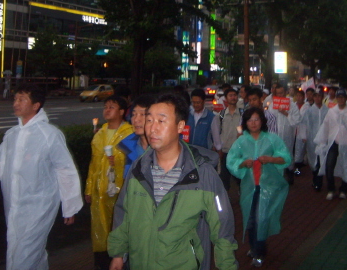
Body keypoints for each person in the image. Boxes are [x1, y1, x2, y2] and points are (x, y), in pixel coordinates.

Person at [108, 93, 238, 270]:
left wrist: (227, 265)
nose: (152, 128)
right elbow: (124, 212)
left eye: (161, 121)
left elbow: (222, 226)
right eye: (149, 120)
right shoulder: (139, 169)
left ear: (180, 126)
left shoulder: (202, 174)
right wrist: (118, 253)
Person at [0, 83, 82, 270]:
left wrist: (70, 205)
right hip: (15, 206)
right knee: (24, 251)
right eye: (15, 99)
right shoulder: (12, 135)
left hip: (39, 207)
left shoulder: (50, 135)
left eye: (21, 99)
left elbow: (65, 169)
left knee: (24, 256)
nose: (15, 103)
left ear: (36, 106)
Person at [227, 107, 291, 268]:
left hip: (267, 188)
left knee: (261, 219)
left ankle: (259, 252)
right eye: (250, 120)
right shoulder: (241, 142)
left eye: (256, 119)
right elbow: (231, 160)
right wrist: (243, 163)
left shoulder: (272, 139)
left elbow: (286, 158)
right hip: (249, 188)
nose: (253, 123)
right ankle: (254, 247)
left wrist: (271, 159)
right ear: (245, 123)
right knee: (250, 220)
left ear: (262, 121)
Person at [85, 95, 133, 270]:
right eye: (105, 106)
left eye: (112, 107)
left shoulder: (129, 132)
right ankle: (102, 261)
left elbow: (133, 160)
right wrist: (89, 188)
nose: (107, 110)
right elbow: (93, 164)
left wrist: (117, 160)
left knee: (118, 225)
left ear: (122, 111)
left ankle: (119, 258)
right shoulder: (100, 133)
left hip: (119, 188)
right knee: (100, 227)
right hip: (100, 189)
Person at [314, 88, 347, 200]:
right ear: (336, 99)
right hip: (333, 143)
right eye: (339, 98)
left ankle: (343, 189)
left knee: (346, 165)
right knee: (329, 166)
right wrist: (321, 140)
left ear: (345, 99)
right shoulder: (332, 111)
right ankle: (331, 189)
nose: (340, 100)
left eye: (342, 97)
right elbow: (326, 126)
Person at [267, 84, 301, 184]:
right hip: (276, 136)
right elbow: (269, 120)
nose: (280, 95)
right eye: (278, 93)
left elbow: (297, 119)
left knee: (288, 153)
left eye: (282, 93)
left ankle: (290, 172)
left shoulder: (292, 104)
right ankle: (277, 176)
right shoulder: (272, 105)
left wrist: (286, 114)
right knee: (276, 154)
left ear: (285, 92)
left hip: (288, 134)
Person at [119, 95, 155, 177]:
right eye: (133, 114)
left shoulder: (165, 148)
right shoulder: (128, 146)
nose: (136, 120)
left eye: (142, 114)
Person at [217, 88, 244, 190]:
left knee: (240, 177)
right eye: (230, 95)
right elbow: (218, 132)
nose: (233, 97)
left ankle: (242, 195)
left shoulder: (243, 113)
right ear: (226, 98)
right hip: (225, 151)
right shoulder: (221, 114)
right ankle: (226, 200)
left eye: (235, 95)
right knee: (224, 178)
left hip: (239, 151)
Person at [301, 90, 329, 190]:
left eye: (319, 96)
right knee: (313, 160)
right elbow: (303, 124)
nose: (317, 98)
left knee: (322, 159)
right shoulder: (309, 111)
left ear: (322, 97)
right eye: (315, 96)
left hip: (324, 139)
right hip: (312, 139)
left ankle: (318, 181)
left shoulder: (327, 110)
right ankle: (315, 179)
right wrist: (304, 136)